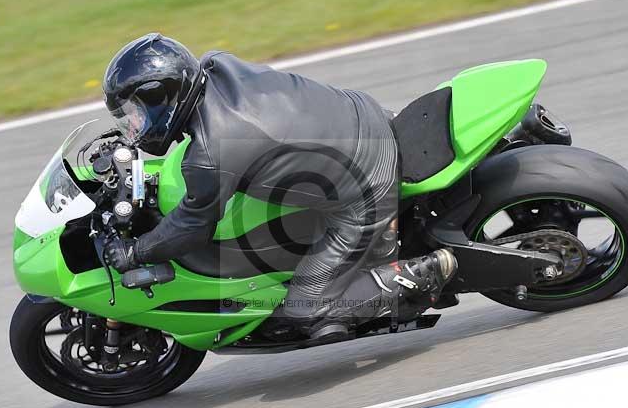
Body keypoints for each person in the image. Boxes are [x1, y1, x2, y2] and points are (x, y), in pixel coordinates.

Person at [103, 33, 456, 345]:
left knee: (305, 310)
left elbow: (193, 227)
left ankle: (420, 273)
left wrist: (137, 252)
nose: (134, 124)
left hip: (367, 185)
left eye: (137, 112)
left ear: (165, 96)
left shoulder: (210, 155)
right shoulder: (215, 65)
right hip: (364, 114)